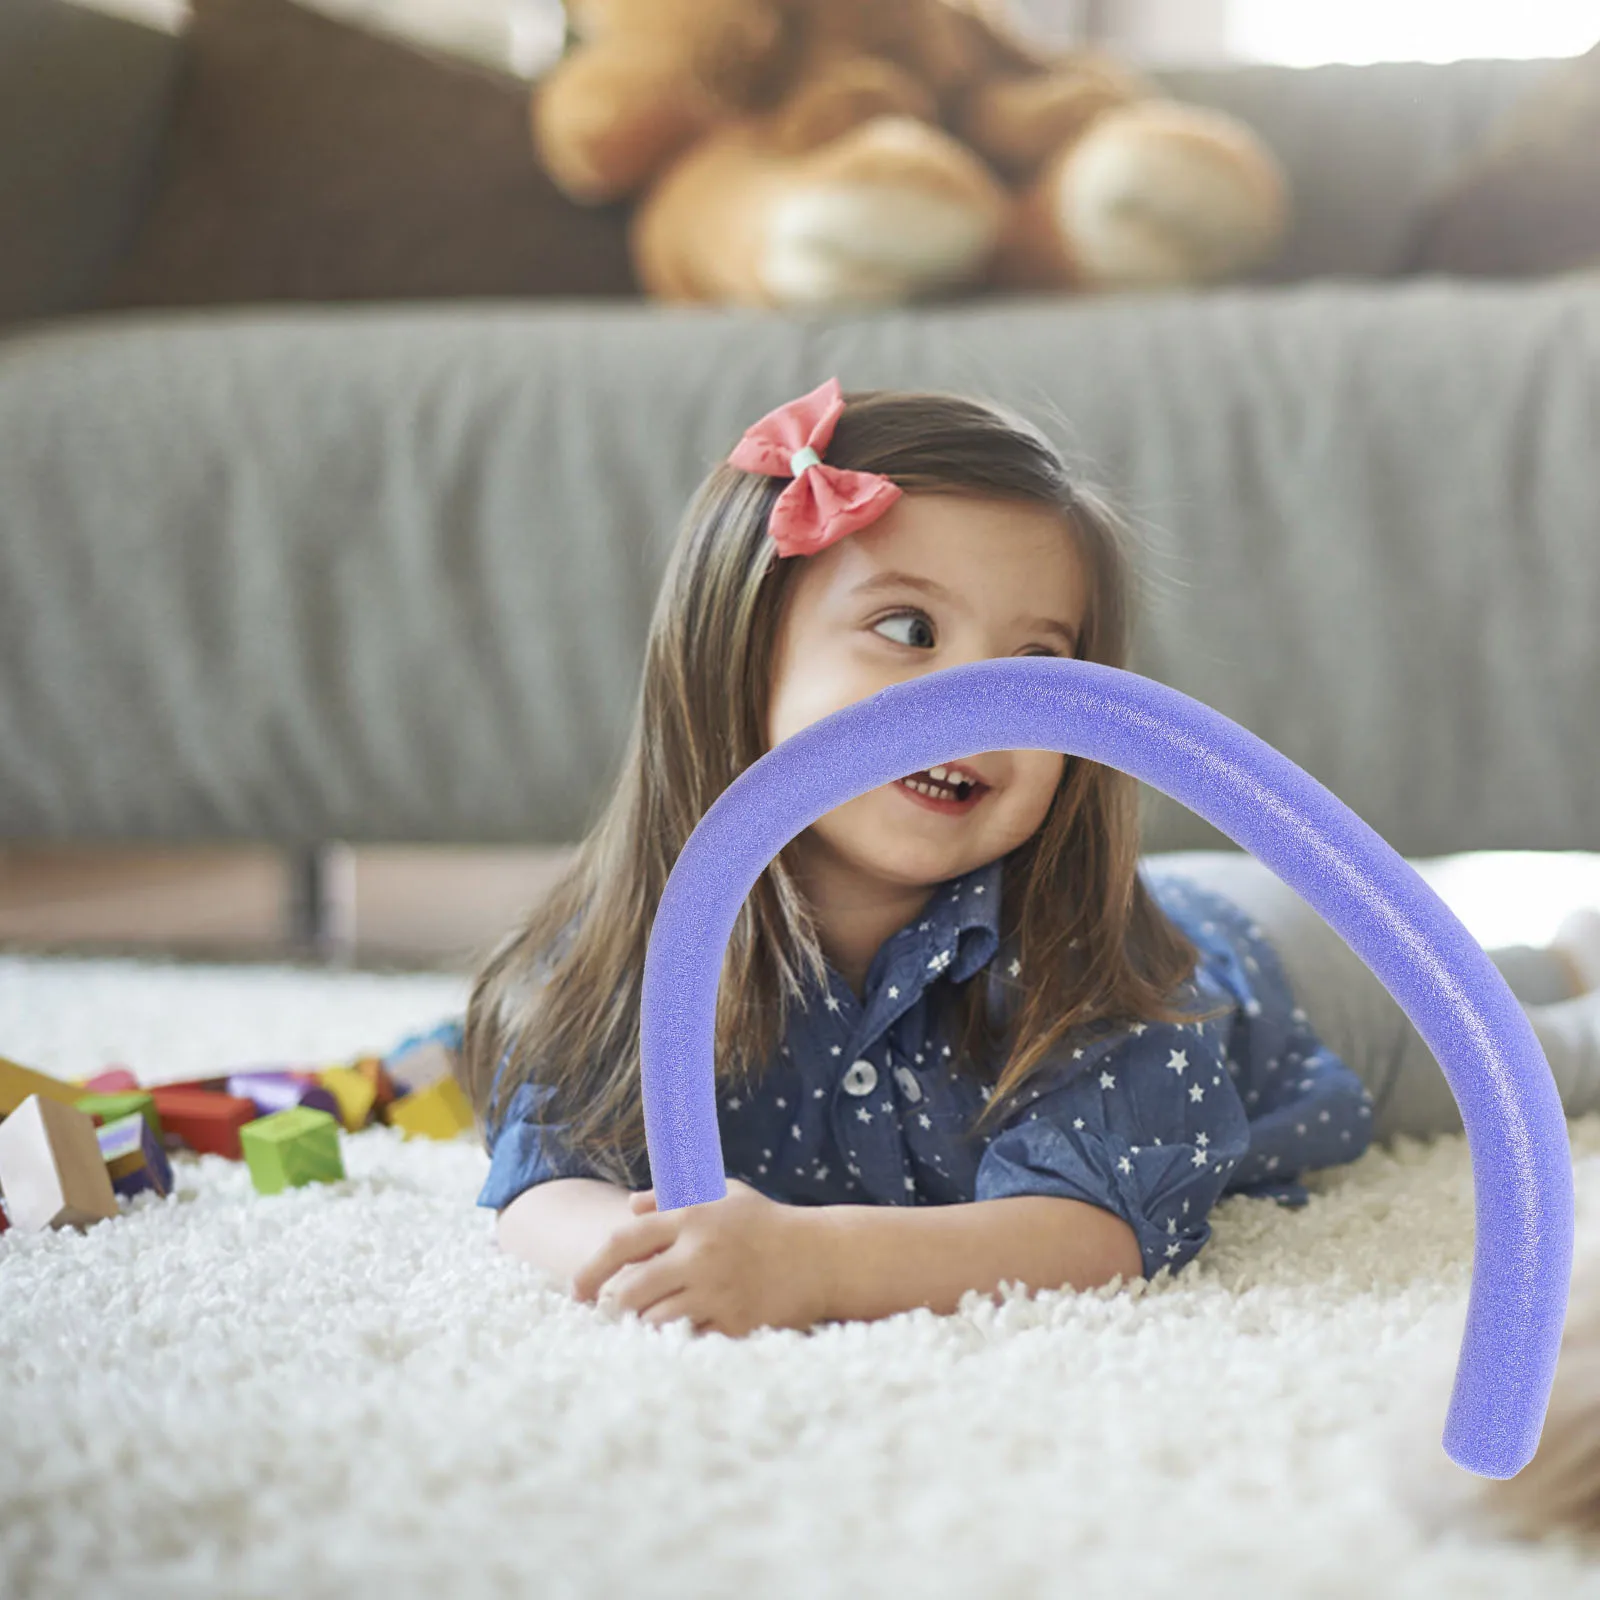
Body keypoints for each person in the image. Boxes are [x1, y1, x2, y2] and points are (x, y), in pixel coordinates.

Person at [417, 377, 1600, 1340]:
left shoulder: (1096, 971)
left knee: (1530, 1050)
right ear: (737, 649)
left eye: (1036, 666)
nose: (975, 710)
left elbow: (1090, 1233)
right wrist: (641, 1255)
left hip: (1293, 978)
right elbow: (542, 1174)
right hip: (1219, 917)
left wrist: (811, 1260)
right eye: (907, 630)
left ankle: (1561, 965)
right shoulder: (627, 950)